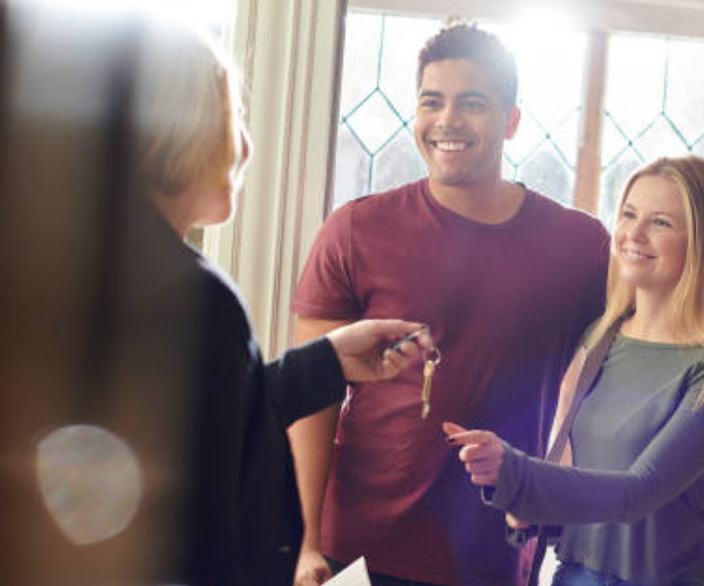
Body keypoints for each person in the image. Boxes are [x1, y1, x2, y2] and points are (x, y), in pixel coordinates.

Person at [289, 23, 704, 586]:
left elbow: (659, 304)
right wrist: (305, 541)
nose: (447, 120)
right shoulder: (355, 229)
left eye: (471, 104)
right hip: (362, 549)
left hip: (497, 554)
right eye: (432, 101)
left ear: (510, 120)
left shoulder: (576, 245)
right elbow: (310, 396)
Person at [1, 10, 430, 586]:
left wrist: (324, 363)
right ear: (176, 125)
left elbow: (192, 422)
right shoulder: (190, 298)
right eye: (235, 117)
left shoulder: (76, 265)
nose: (247, 148)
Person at [446, 156, 704, 586]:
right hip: (575, 576)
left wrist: (516, 473)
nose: (633, 234)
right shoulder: (599, 338)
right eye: (629, 215)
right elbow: (575, 471)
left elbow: (638, 491)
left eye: (660, 223)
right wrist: (527, 506)